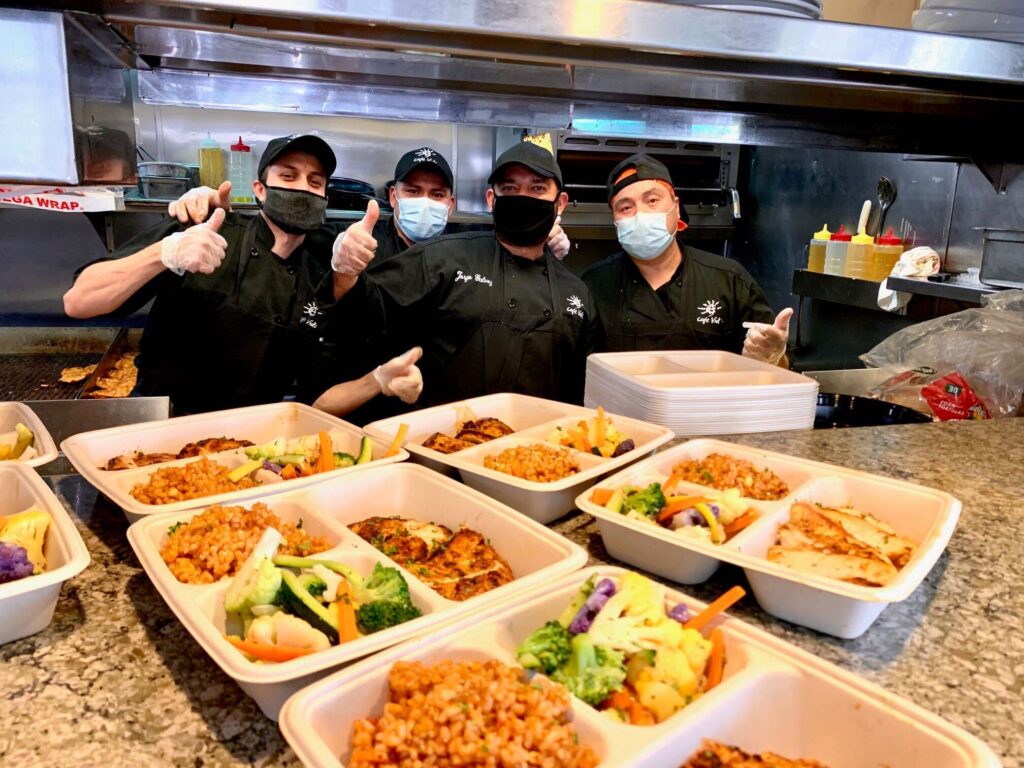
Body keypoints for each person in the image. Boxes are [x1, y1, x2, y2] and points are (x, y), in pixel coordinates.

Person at [63, 134, 422, 416]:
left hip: (250, 438)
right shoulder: (205, 229)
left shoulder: (323, 265)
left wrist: (376, 379)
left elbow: (318, 391)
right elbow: (78, 301)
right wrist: (165, 253)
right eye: (288, 176)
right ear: (260, 189)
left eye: (315, 182)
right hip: (161, 423)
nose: (302, 188)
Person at [330, 141, 600, 409]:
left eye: (537, 188)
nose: (522, 197)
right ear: (492, 199)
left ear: (560, 203)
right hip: (440, 443)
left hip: (538, 446)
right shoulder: (439, 258)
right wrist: (345, 271)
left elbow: (580, 395)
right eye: (509, 188)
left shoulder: (577, 293)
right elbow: (357, 313)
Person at [582, 153, 792, 366]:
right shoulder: (593, 285)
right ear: (615, 220)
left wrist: (771, 357)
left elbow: (781, 369)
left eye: (652, 200)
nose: (641, 214)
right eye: (626, 207)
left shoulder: (729, 281)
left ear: (676, 207)